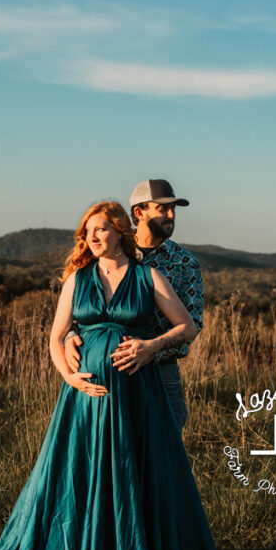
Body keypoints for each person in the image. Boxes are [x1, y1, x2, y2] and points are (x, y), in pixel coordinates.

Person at [0, 200, 224, 550]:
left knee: (136, 473)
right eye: (87, 231)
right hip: (85, 399)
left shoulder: (148, 275)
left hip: (137, 396)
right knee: (81, 473)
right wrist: (69, 376)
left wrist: (150, 346)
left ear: (121, 232)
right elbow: (56, 337)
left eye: (101, 229)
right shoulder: (77, 278)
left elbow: (187, 326)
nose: (92, 237)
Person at [65, 179, 203, 434]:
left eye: (173, 209)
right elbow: (80, 309)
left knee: (164, 449)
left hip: (162, 371)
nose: (170, 215)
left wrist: (151, 349)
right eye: (162, 209)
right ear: (139, 213)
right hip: (105, 376)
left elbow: (192, 323)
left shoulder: (185, 262)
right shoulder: (106, 251)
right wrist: (71, 335)